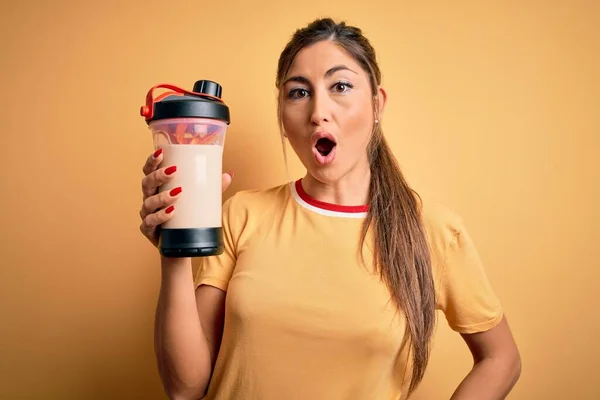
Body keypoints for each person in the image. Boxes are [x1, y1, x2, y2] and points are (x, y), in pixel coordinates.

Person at [139, 18, 521, 400]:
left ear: (376, 104)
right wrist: (173, 248)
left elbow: (501, 357)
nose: (318, 111)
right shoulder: (242, 214)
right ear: (283, 116)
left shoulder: (432, 230)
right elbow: (184, 388)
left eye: (340, 86)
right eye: (298, 93)